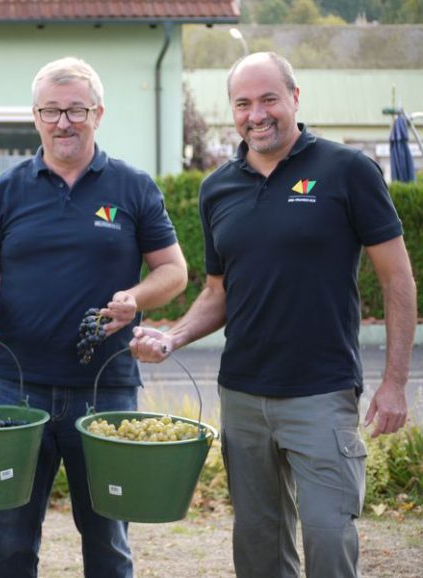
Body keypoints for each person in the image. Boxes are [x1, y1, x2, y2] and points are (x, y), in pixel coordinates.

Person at [129, 52, 417, 578]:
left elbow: (396, 278)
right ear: (232, 112)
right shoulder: (217, 188)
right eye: (243, 103)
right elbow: (218, 291)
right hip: (241, 395)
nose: (256, 114)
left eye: (268, 100)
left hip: (321, 393)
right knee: (259, 549)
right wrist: (173, 336)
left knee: (329, 538)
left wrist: (395, 381)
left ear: (295, 99)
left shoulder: (348, 170)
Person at [0, 56, 188, 578]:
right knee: (10, 543)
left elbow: (174, 271)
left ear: (98, 113)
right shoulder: (5, 190)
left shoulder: (132, 186)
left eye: (76, 110)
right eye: (51, 111)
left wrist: (134, 295)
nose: (63, 122)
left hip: (105, 389)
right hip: (16, 390)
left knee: (108, 542)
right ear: (34, 116)